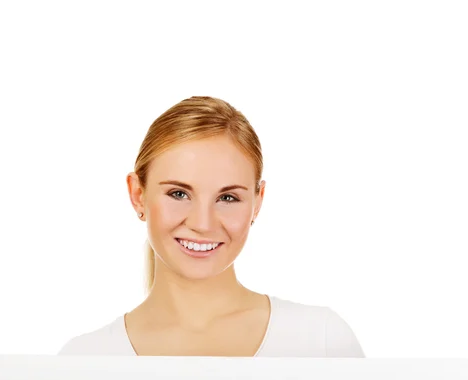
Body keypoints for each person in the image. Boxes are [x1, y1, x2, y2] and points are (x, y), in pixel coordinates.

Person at [59, 96, 364, 357]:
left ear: (257, 202)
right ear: (138, 195)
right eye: (178, 194)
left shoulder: (322, 344)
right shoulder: (85, 359)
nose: (202, 224)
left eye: (228, 197)